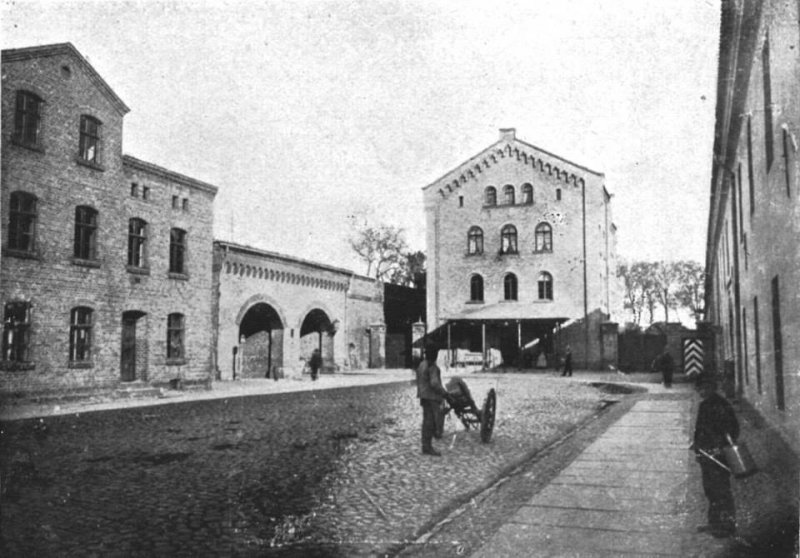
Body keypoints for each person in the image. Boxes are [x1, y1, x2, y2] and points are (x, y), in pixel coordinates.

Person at [691, 374, 740, 538]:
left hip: (718, 455)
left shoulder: (720, 404)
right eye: (700, 389)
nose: (702, 391)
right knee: (711, 490)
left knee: (721, 490)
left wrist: (721, 447)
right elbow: (701, 429)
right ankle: (714, 523)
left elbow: (732, 429)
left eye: (705, 388)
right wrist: (697, 445)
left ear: (713, 387)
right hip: (707, 454)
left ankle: (727, 526)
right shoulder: (705, 404)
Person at [416, 344, 450, 456]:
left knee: (426, 421)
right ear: (434, 355)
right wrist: (444, 393)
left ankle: (425, 445)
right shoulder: (432, 367)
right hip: (432, 397)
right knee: (432, 422)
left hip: (423, 396)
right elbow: (434, 383)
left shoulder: (421, 364)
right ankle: (428, 447)